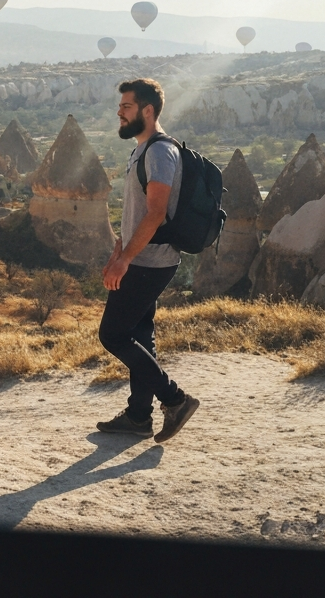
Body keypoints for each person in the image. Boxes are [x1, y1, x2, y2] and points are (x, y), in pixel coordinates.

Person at [96, 78, 200, 443]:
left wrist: (125, 259)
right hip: (141, 256)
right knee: (139, 334)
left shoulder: (159, 152)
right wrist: (119, 248)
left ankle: (175, 399)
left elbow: (155, 213)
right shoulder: (143, 150)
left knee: (112, 335)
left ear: (148, 110)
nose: (119, 113)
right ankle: (139, 416)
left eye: (126, 107)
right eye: (120, 107)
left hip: (149, 261)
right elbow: (137, 211)